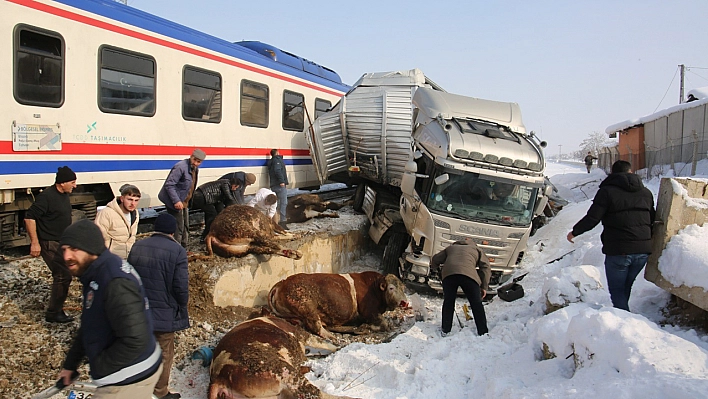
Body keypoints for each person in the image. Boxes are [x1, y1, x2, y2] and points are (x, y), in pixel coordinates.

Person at [58, 219, 163, 397]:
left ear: (91, 248)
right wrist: (70, 365)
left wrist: (101, 366)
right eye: (64, 250)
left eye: (74, 249)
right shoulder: (97, 274)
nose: (67, 256)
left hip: (128, 380)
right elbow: (91, 324)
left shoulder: (114, 282)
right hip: (126, 375)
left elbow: (135, 339)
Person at [567, 160, 655, 311]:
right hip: (642, 251)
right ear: (630, 172)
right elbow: (652, 219)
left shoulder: (607, 192)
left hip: (619, 250)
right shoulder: (646, 192)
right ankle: (624, 318)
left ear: (613, 173)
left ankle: (625, 322)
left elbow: (593, 218)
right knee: (625, 288)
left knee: (617, 291)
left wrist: (575, 232)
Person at [128, 213, 189, 399]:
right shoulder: (177, 251)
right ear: (172, 231)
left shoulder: (137, 246)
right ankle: (159, 392)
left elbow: (129, 278)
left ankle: (136, 388)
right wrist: (182, 306)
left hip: (138, 311)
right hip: (164, 314)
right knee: (163, 354)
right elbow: (180, 287)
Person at [24, 166, 77, 323]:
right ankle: (54, 313)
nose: (75, 185)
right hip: (49, 242)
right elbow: (29, 217)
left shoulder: (64, 195)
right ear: (62, 183)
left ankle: (56, 310)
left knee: (65, 275)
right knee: (62, 275)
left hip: (61, 242)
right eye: (73, 182)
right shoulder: (46, 197)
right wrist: (35, 243)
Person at [430, 238, 490, 336]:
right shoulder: (477, 249)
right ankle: (482, 331)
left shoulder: (451, 248)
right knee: (476, 303)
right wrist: (484, 286)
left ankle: (445, 329)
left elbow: (435, 259)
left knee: (449, 302)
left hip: (449, 275)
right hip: (469, 276)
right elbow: (485, 267)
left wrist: (436, 270)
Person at [158, 149, 206, 247]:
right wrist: (176, 201)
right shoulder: (180, 167)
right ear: (191, 156)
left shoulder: (194, 169)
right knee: (178, 227)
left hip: (184, 201)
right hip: (174, 201)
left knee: (185, 225)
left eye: (199, 162)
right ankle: (176, 248)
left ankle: (184, 246)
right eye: (194, 160)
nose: (196, 163)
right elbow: (169, 185)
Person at [94, 184, 141, 259]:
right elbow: (98, 237)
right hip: (110, 258)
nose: (133, 203)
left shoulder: (135, 214)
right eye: (129, 199)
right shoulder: (106, 213)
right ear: (122, 199)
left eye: (136, 200)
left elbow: (132, 237)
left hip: (127, 257)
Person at [267, 149, 289, 229]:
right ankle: (282, 222)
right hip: (279, 185)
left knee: (274, 204)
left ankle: (274, 221)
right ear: (277, 153)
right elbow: (277, 170)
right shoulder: (277, 160)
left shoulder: (270, 162)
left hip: (273, 185)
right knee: (283, 203)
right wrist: (281, 181)